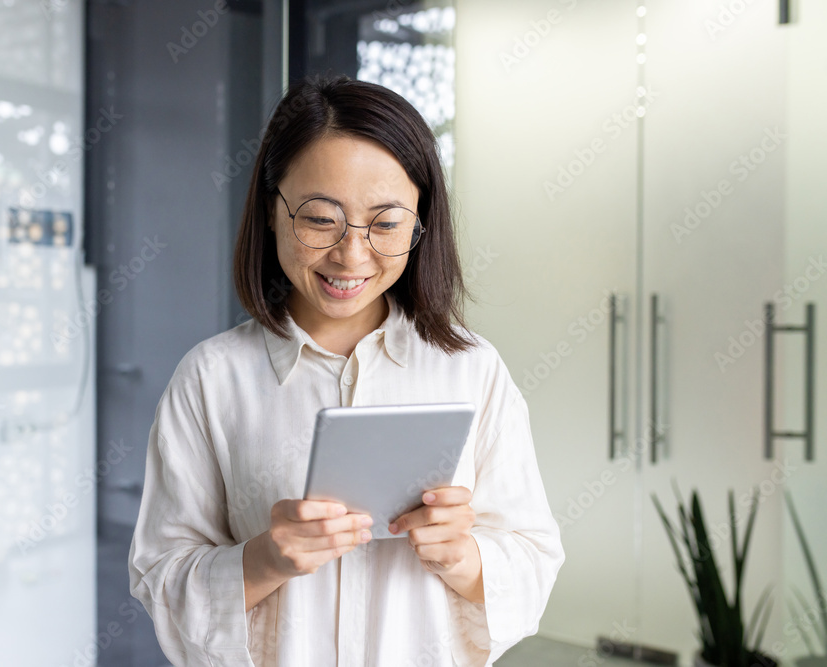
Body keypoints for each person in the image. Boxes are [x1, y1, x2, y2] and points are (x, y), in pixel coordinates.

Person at [128, 73, 564, 667]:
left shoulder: (472, 370)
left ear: (420, 223)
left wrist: (463, 555)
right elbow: (162, 581)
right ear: (272, 209)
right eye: (319, 218)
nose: (352, 255)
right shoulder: (212, 380)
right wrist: (265, 559)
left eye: (385, 224)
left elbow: (534, 561)